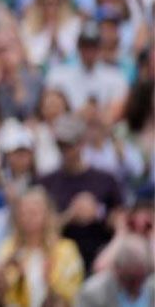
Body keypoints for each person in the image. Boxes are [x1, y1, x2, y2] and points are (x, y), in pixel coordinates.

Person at [36, 115, 124, 269]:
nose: (64, 151)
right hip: (59, 258)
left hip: (100, 253)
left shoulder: (105, 179)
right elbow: (37, 229)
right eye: (60, 145)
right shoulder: (47, 182)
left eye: (69, 145)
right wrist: (70, 215)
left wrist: (98, 212)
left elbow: (121, 219)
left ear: (82, 144)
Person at [0, 187, 83, 307]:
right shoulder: (8, 248)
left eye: (33, 212)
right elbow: (0, 295)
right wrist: (14, 275)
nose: (28, 218)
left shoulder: (66, 249)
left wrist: (49, 280)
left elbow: (71, 294)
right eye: (23, 212)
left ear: (47, 214)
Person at [75, 233, 154, 307]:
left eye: (141, 277)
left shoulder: (151, 287)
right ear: (118, 270)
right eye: (132, 278)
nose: (137, 285)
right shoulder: (93, 293)